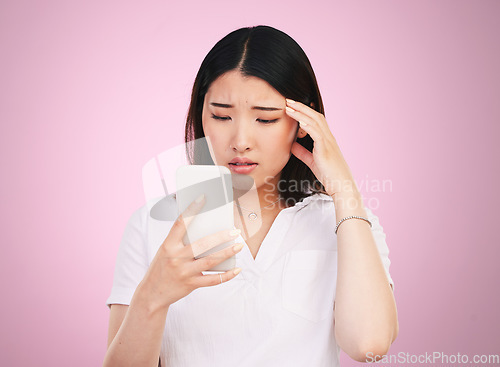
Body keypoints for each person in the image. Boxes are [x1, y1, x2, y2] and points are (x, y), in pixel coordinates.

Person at [103, 25, 398, 367]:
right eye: (221, 115)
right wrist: (151, 298)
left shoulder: (346, 222)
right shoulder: (151, 224)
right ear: (201, 115)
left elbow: (369, 345)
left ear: (304, 120)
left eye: (265, 118)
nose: (240, 140)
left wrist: (343, 191)